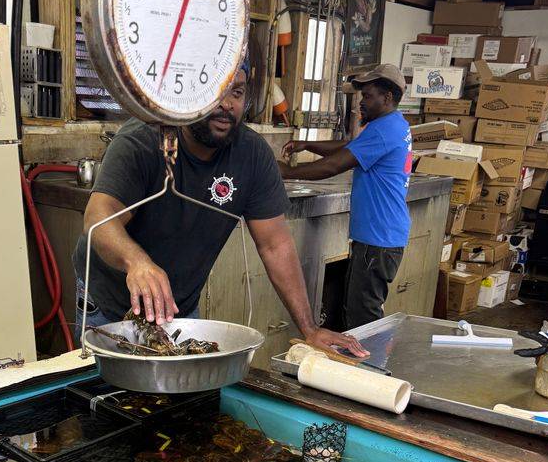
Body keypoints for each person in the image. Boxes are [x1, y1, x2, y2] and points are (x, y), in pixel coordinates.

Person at [73, 62, 366, 359]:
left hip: (178, 308)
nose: (227, 105)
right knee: (110, 398)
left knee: (184, 398)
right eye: (215, 91)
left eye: (237, 92)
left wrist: (309, 329)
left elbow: (275, 244)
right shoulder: (143, 139)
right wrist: (136, 262)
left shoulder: (252, 155)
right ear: (189, 92)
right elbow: (98, 216)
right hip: (111, 304)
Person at [280, 64, 412, 330]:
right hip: (382, 236)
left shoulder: (384, 130)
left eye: (368, 96)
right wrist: (308, 144)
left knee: (362, 318)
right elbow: (349, 146)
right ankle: (364, 365)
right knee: (360, 311)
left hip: (378, 239)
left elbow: (334, 165)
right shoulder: (392, 124)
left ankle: (367, 368)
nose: (361, 102)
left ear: (387, 97)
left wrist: (288, 172)